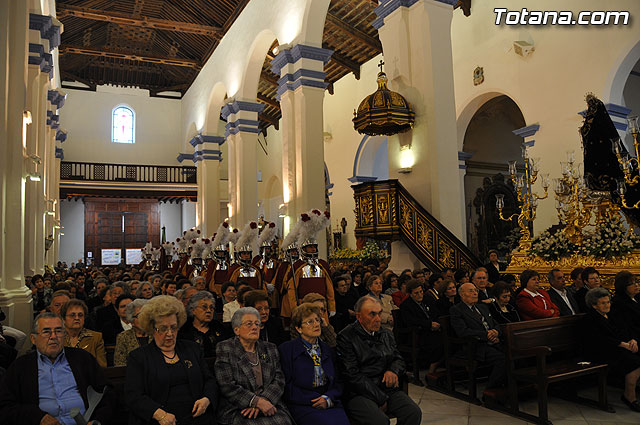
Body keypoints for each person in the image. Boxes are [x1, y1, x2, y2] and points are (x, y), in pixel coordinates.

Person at [0, 312, 113, 424]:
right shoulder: (20, 367)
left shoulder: (83, 359)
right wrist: (38, 418)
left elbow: (107, 393)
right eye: (46, 332)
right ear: (33, 339)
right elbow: (5, 407)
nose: (53, 337)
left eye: (58, 331)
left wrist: (97, 420)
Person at [125, 295, 218, 425]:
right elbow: (133, 395)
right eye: (163, 328)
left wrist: (206, 399)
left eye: (173, 327)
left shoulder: (192, 349)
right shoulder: (139, 357)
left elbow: (210, 380)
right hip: (160, 420)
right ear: (152, 329)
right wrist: (159, 415)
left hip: (197, 417)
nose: (169, 333)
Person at [337, 296, 421, 425]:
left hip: (386, 386)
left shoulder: (385, 333)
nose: (378, 319)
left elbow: (398, 358)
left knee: (413, 412)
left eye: (380, 313)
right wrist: (381, 398)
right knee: (379, 421)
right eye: (372, 314)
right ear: (359, 317)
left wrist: (392, 371)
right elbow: (352, 374)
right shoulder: (346, 337)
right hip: (360, 392)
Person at [215, 307, 292, 425]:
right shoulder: (226, 348)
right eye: (249, 324)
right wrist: (255, 401)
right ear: (237, 330)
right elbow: (227, 385)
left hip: (270, 403)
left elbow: (279, 380)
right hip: (238, 407)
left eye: (257, 324)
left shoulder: (270, 348)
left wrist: (264, 401)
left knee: (283, 422)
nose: (255, 327)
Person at [278, 303, 349, 425]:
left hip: (327, 400)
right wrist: (312, 400)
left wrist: (327, 398)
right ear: (298, 328)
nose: (316, 324)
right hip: (302, 403)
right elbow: (286, 385)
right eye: (309, 322)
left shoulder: (327, 349)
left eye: (317, 320)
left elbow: (338, 381)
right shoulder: (286, 350)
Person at [583, 287, 640, 412]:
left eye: (608, 302)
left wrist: (632, 340)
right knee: (633, 362)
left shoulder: (611, 315)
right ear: (594, 306)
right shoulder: (590, 319)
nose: (607, 305)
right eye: (603, 303)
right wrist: (623, 344)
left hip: (616, 348)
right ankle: (629, 396)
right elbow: (600, 339)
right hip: (599, 352)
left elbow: (625, 330)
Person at [450, 283, 506, 389]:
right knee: (502, 359)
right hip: (476, 346)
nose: (475, 293)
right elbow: (463, 331)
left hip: (493, 341)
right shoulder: (457, 310)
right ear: (462, 295)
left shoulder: (482, 307)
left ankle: (509, 386)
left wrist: (496, 332)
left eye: (475, 290)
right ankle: (490, 390)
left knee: (515, 353)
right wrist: (486, 335)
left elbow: (495, 324)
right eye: (471, 291)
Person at [399, 280, 443, 375]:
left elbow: (436, 313)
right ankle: (432, 369)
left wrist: (436, 323)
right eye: (416, 293)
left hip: (434, 329)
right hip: (418, 333)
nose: (420, 295)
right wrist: (429, 325)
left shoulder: (428, 299)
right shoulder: (406, 305)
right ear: (410, 294)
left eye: (421, 291)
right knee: (438, 340)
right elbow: (410, 321)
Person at [179, 291, 229, 357]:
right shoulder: (184, 330)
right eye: (204, 307)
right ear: (193, 310)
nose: (208, 311)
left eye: (211, 308)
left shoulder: (219, 327)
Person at [61, 299, 107, 368]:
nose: (77, 318)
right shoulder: (58, 338)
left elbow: (102, 366)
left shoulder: (96, 337)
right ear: (64, 319)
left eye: (80, 315)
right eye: (72, 315)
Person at [114, 298, 150, 366]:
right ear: (131, 320)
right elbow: (119, 364)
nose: (144, 318)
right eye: (139, 316)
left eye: (146, 315)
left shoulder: (156, 333)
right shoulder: (123, 337)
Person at [611, 271, 640, 342]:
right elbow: (625, 327)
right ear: (623, 286)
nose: (636, 285)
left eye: (636, 282)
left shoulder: (638, 296)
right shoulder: (618, 303)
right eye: (631, 283)